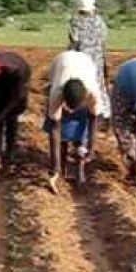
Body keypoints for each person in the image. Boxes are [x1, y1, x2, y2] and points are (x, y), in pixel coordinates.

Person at [43, 50, 102, 192]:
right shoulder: (56, 92)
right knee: (62, 126)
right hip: (60, 63)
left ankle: (80, 172)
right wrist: (54, 166)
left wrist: (91, 147)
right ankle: (60, 167)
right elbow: (55, 128)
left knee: (81, 128)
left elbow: (93, 120)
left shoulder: (93, 93)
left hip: (86, 64)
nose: (70, 110)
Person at [69, 0, 111, 124]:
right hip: (97, 60)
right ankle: (102, 114)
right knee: (98, 86)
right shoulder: (100, 21)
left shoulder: (75, 22)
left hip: (81, 62)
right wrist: (105, 63)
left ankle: (85, 115)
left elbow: (74, 43)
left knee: (81, 88)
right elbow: (103, 43)